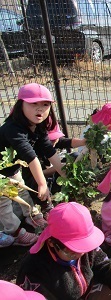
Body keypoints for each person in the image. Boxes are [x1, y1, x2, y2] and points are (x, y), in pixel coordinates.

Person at [0, 83, 65, 247]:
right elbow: (31, 157)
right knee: (4, 204)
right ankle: (15, 232)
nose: (40, 109)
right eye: (33, 104)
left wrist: (66, 174)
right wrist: (42, 183)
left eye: (45, 105)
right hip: (0, 173)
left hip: (13, 168)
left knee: (22, 192)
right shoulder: (12, 129)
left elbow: (49, 150)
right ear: (21, 104)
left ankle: (33, 217)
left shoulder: (38, 126)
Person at [16, 202, 111, 300]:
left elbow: (103, 265)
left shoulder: (87, 247)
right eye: (73, 251)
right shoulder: (33, 269)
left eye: (84, 248)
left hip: (88, 290)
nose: (81, 254)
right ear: (51, 242)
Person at [22, 122, 86, 215]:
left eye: (56, 138)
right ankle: (46, 207)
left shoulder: (55, 141)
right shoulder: (34, 151)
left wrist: (83, 142)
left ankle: (70, 193)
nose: (54, 142)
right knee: (38, 181)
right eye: (51, 140)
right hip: (38, 184)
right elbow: (37, 174)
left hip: (54, 177)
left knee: (75, 155)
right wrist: (59, 167)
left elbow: (68, 142)